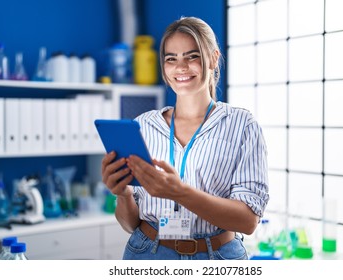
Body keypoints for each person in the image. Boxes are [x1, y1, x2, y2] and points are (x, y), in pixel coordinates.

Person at [101, 16, 269, 260]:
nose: (180, 67)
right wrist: (123, 193)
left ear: (213, 58)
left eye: (192, 56)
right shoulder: (144, 126)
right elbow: (129, 224)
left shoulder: (242, 126)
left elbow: (248, 221)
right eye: (171, 59)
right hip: (148, 253)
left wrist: (180, 192)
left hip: (218, 257)